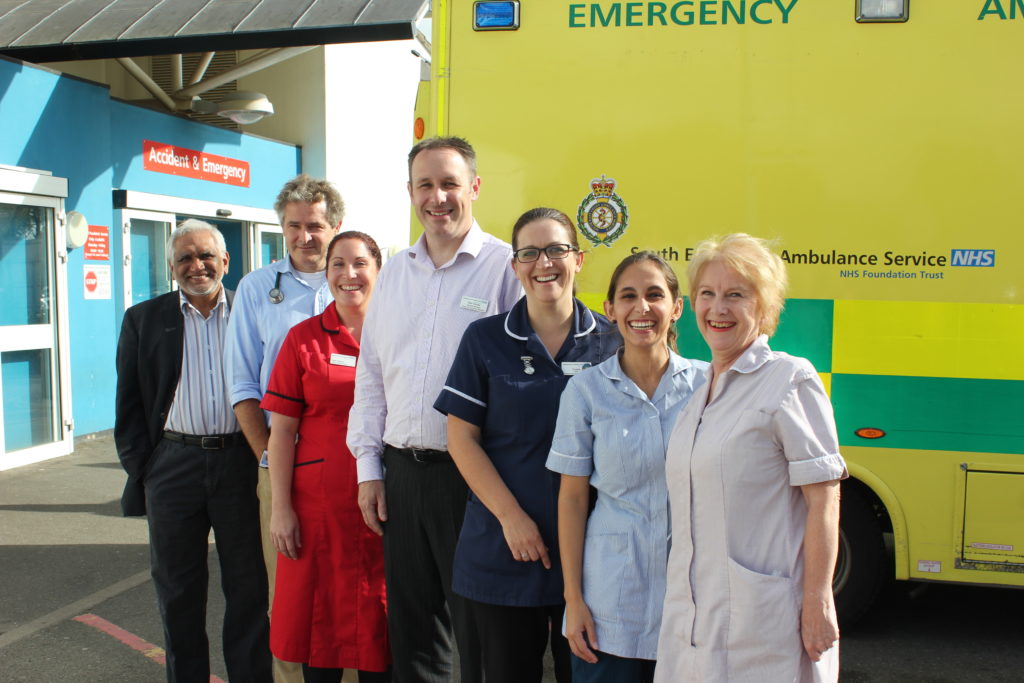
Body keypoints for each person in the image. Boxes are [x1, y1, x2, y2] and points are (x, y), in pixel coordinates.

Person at [348, 136, 522, 683]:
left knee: (480, 636)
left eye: (450, 183)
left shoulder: (504, 270)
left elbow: (524, 386)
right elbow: (371, 378)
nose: (438, 197)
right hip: (403, 476)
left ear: (474, 187)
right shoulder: (396, 272)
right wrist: (369, 470)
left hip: (472, 481)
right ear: (410, 193)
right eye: (425, 185)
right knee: (414, 635)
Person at [434, 208, 619, 683]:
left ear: (578, 259)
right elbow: (461, 437)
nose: (544, 263)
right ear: (515, 266)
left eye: (556, 249)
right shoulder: (485, 338)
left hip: (593, 558)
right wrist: (512, 519)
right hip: (503, 553)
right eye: (529, 253)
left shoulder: (611, 343)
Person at [654, 234, 847, 682]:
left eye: (735, 295)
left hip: (763, 625)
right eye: (707, 294)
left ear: (764, 308)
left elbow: (825, 498)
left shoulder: (788, 379)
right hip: (692, 620)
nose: (717, 308)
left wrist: (818, 599)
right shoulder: (700, 392)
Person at [114, 219, 271, 683]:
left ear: (226, 262)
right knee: (178, 591)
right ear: (171, 267)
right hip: (173, 467)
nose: (196, 265)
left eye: (205, 256)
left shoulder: (252, 311)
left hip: (238, 462)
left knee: (248, 588)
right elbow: (129, 406)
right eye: (184, 258)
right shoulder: (144, 320)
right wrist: (146, 469)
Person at [547, 251, 708, 683]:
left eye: (655, 295)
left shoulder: (709, 387)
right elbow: (573, 499)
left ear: (676, 308)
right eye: (628, 296)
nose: (642, 308)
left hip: (693, 607)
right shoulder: (585, 392)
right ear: (610, 310)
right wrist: (574, 599)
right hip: (610, 607)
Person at [225, 175, 344, 683]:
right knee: (290, 592)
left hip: (351, 465)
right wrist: (269, 460)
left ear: (335, 226)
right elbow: (241, 386)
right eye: (294, 226)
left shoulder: (359, 282)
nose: (305, 236)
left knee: (350, 588)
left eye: (315, 225)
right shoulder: (257, 288)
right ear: (282, 227)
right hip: (283, 463)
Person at [262, 231, 389, 683]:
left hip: (386, 507)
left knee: (382, 626)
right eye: (337, 264)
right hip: (317, 511)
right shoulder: (304, 339)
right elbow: (282, 433)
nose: (348, 274)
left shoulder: (400, 335)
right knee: (320, 630)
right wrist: (281, 509)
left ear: (379, 269)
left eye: (359, 263)